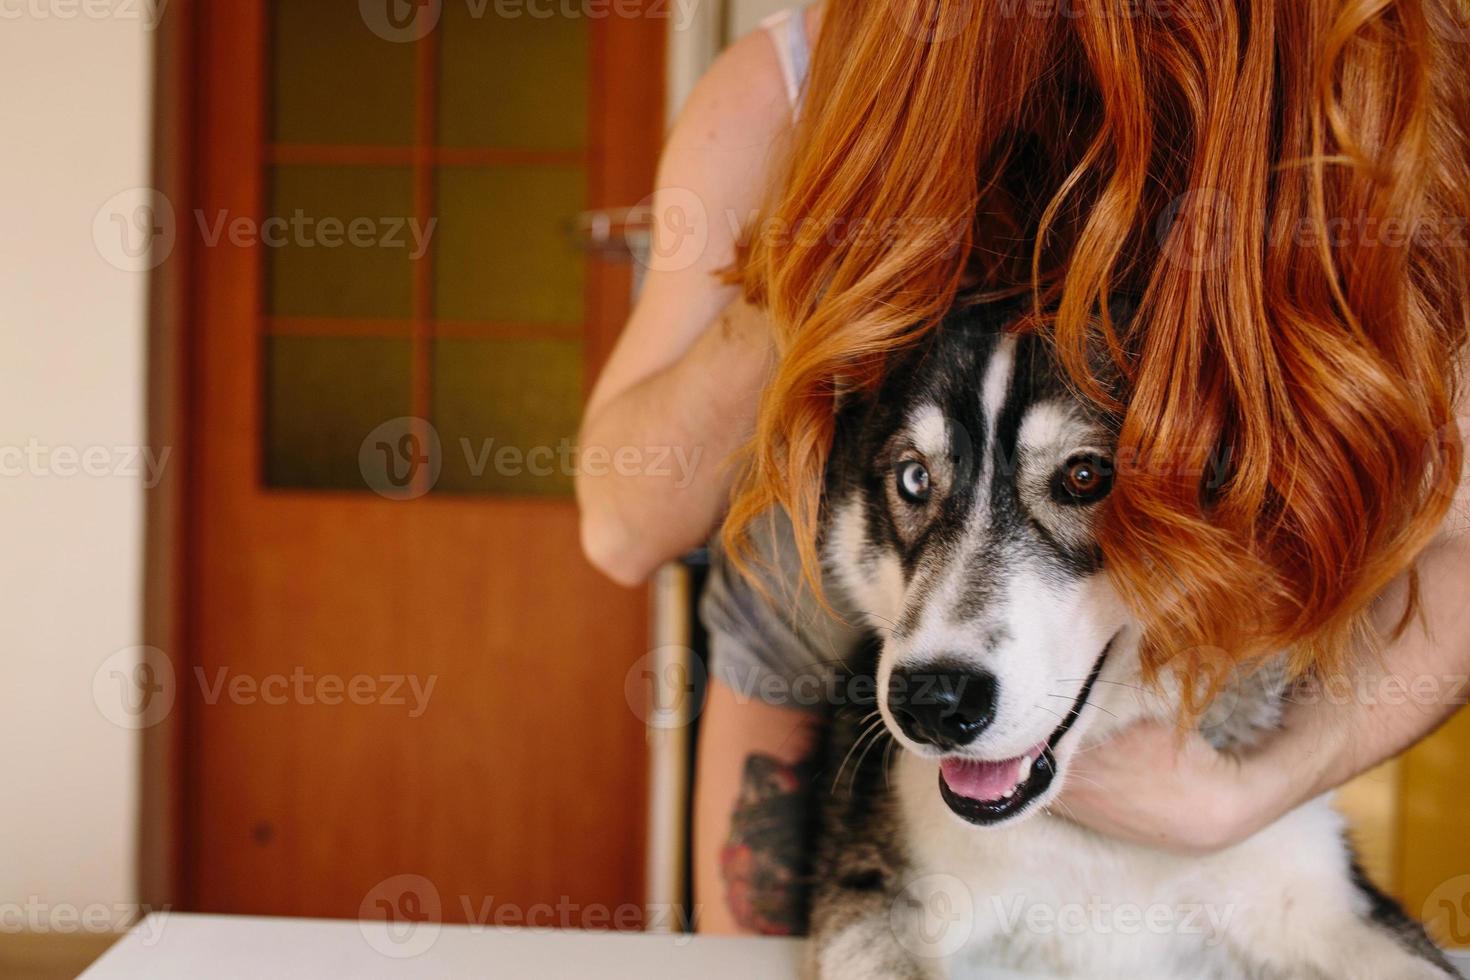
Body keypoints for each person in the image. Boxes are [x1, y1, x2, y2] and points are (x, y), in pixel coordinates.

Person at [575, 0, 1470, 936]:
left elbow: (1460, 534)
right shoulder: (789, 86)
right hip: (809, 697)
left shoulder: (1367, 88)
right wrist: (803, 261)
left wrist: (1242, 797)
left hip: (1190, 707)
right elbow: (624, 523)